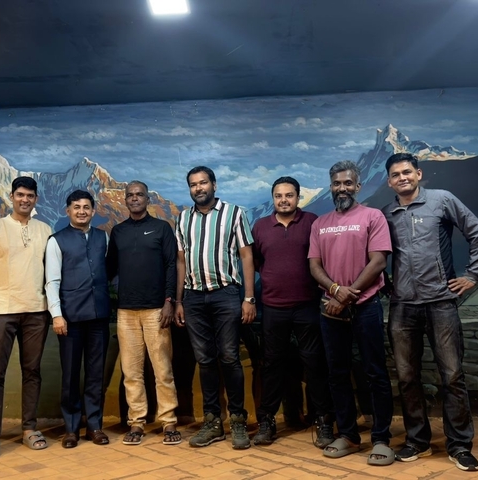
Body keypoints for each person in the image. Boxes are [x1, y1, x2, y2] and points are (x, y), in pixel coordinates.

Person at [383, 152, 478, 472]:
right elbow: (375, 254)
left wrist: (473, 275)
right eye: (395, 175)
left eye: (407, 172)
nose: (402, 178)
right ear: (389, 182)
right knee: (406, 376)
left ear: (418, 174)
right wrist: (384, 281)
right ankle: (416, 440)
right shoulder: (386, 213)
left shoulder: (442, 200)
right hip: (402, 305)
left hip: (441, 301)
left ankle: (459, 445)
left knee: (453, 375)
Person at [308, 161, 396, 466]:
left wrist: (346, 295)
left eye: (347, 183)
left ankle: (382, 438)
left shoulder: (373, 217)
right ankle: (347, 434)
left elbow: (378, 263)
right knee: (337, 373)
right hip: (331, 309)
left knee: (375, 372)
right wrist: (335, 290)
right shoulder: (320, 223)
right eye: (336, 183)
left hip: (366, 306)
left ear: (358, 186)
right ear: (330, 186)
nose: (341, 188)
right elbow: (314, 265)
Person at [174, 165, 256, 450]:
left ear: (214, 185)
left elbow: (247, 256)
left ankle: (237, 420)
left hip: (226, 295)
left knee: (230, 358)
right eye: (194, 184)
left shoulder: (234, 214)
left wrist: (248, 297)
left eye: (203, 182)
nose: (199, 188)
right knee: (205, 360)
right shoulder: (183, 219)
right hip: (194, 298)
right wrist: (179, 301)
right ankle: (212, 421)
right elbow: (181, 261)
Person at [250, 176, 335, 449]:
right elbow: (257, 262)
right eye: (278, 195)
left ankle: (323, 420)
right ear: (272, 198)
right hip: (273, 308)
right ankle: (267, 421)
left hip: (307, 306)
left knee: (315, 365)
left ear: (298, 197)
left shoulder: (312, 222)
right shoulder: (260, 227)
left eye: (289, 195)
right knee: (272, 365)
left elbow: (323, 258)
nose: (283, 200)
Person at [0, 176, 53, 458]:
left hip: (36, 311)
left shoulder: (45, 230)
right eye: (20, 195)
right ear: (11, 197)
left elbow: (52, 274)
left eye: (30, 196)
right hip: (0, 311)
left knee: (32, 372)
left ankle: (29, 429)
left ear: (36, 199)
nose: (25, 200)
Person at [106, 180, 182, 446]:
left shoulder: (162, 228)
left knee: (162, 370)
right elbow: (109, 269)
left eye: (140, 194)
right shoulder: (118, 232)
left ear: (148, 199)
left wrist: (170, 300)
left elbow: (172, 265)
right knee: (131, 371)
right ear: (125, 200)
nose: (135, 198)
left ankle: (168, 421)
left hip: (156, 310)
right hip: (126, 312)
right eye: (130, 195)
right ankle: (136, 422)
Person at [45, 189, 111, 448]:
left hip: (99, 316)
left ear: (93, 211)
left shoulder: (102, 237)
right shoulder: (56, 240)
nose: (82, 211)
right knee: (71, 375)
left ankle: (94, 426)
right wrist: (57, 315)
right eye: (76, 207)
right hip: (70, 318)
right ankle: (71, 428)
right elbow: (52, 281)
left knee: (96, 374)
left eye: (86, 207)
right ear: (68, 211)